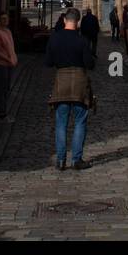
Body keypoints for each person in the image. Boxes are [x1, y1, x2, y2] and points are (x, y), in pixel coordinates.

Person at [45, 9, 96, 170]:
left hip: (62, 81)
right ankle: (76, 159)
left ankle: (60, 160)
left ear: (65, 20)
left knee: (61, 122)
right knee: (80, 121)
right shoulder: (82, 41)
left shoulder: (54, 39)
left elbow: (48, 62)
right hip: (80, 82)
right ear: (78, 22)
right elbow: (90, 64)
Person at [0, 13, 18, 122]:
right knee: (1, 90)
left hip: (9, 65)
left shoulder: (8, 31)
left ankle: (3, 112)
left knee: (6, 89)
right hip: (0, 65)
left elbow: (11, 47)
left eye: (6, 18)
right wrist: (8, 59)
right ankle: (1, 114)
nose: (5, 20)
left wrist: (14, 58)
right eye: (2, 19)